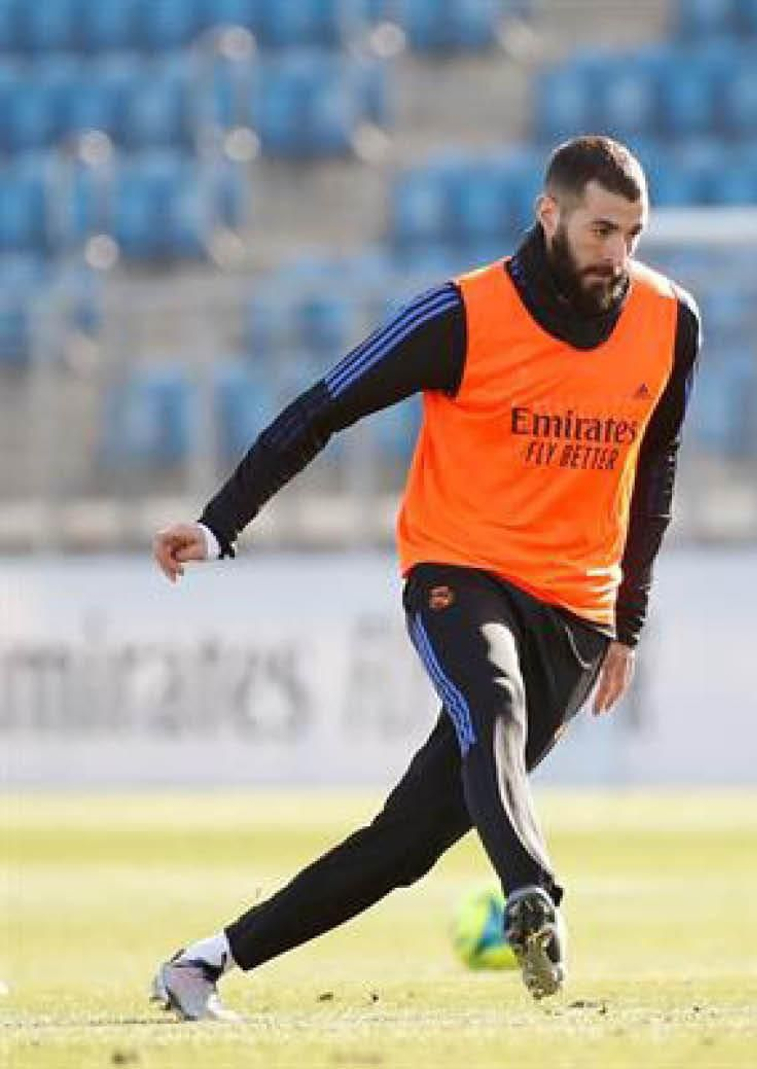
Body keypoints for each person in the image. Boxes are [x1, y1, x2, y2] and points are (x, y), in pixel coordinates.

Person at [148, 135, 700, 1021]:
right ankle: (532, 895)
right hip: (461, 571)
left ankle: (204, 962)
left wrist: (628, 620)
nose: (619, 255)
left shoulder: (672, 321)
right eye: (603, 231)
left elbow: (658, 466)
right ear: (549, 214)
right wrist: (220, 522)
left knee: (406, 842)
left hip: (579, 611)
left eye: (634, 234)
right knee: (495, 703)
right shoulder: (462, 315)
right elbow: (324, 406)